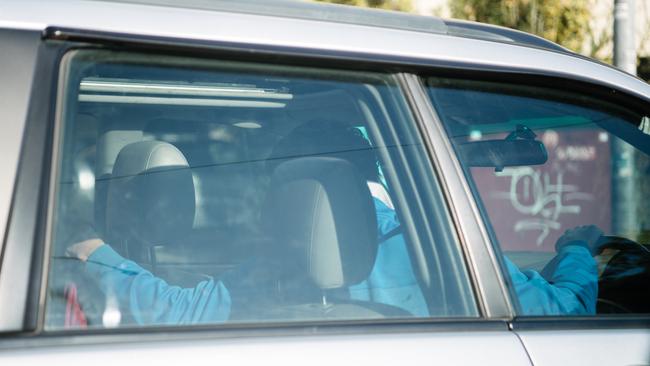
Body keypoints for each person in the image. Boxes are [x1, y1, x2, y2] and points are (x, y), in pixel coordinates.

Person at [66, 120, 599, 326]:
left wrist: (90, 252)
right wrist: (577, 250)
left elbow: (175, 312)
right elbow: (566, 310)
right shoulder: (442, 256)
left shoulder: (279, 273)